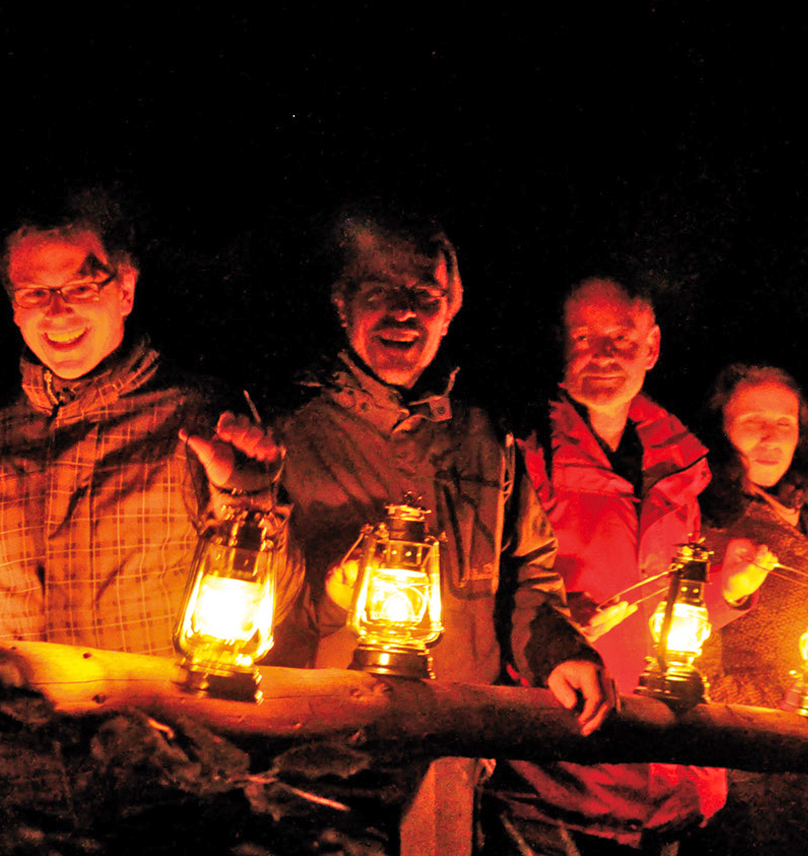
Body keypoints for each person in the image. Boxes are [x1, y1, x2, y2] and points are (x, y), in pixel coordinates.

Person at [280, 203, 614, 856]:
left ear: (449, 312)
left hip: (454, 754)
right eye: (380, 293)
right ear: (341, 304)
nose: (403, 312)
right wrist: (330, 601)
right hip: (321, 765)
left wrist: (559, 652)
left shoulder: (486, 440)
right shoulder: (288, 435)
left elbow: (527, 581)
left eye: (423, 296)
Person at [0, 187, 301, 656]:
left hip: (163, 722)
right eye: (36, 292)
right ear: (14, 306)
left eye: (81, 287)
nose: (58, 311)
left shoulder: (199, 422)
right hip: (19, 724)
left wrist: (249, 500)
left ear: (126, 290)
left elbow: (276, 603)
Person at [483, 278, 769, 856]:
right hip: (557, 779)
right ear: (558, 343)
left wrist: (725, 590)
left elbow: (664, 613)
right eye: (583, 336)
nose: (603, 354)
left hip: (667, 777)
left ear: (652, 345)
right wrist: (556, 636)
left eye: (621, 336)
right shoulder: (517, 450)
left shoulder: (680, 458)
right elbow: (489, 596)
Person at [694, 364, 808, 854]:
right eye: (752, 421)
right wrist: (782, 698)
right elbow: (686, 662)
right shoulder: (706, 521)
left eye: (784, 423)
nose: (770, 435)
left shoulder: (796, 514)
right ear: (721, 429)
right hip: (743, 769)